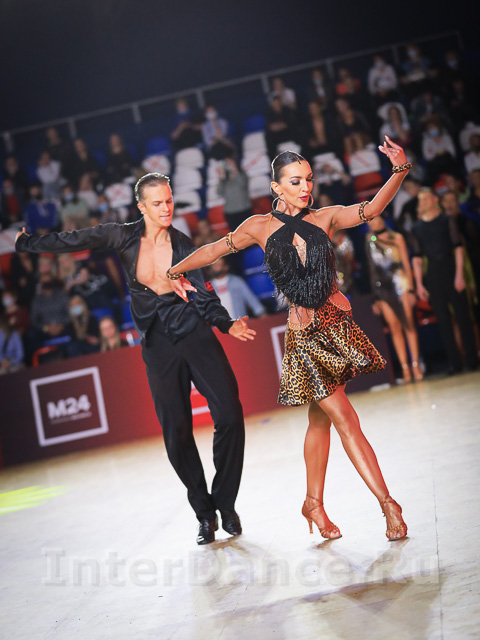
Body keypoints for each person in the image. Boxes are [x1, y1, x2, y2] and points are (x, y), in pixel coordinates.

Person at [168, 140, 411, 542]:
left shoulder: (326, 217)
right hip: (305, 339)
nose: (305, 187)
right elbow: (212, 250)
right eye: (295, 181)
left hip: (337, 328)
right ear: (276, 187)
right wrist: (175, 270)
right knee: (345, 419)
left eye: (308, 179)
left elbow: (371, 210)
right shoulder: (258, 227)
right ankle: (388, 504)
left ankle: (313, 502)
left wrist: (399, 170)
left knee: (320, 419)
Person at [15, 172, 255, 545]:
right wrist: (28, 243)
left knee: (229, 415)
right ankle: (204, 514)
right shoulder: (122, 236)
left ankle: (225, 502)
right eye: (157, 203)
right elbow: (75, 239)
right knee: (176, 432)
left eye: (169, 200)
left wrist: (226, 324)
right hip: (157, 345)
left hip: (195, 334)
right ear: (141, 207)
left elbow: (204, 294)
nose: (166, 208)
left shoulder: (183, 243)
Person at [411, 188, 478, 373]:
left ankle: (472, 359)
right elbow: (417, 257)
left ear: (435, 200)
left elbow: (458, 248)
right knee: (443, 320)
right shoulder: (416, 228)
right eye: (420, 200)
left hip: (451, 268)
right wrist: (419, 284)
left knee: (463, 316)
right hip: (433, 272)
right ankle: (455, 363)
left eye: (425, 199)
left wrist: (459, 275)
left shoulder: (447, 220)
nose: (422, 203)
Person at [365, 216, 423, 382]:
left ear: (382, 218)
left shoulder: (396, 237)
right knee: (394, 326)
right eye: (369, 220)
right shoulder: (369, 240)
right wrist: (375, 297)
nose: (373, 222)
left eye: (375, 218)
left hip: (400, 282)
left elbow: (406, 262)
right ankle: (405, 368)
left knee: (408, 323)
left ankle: (415, 364)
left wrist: (411, 289)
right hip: (383, 287)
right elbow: (371, 269)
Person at [216, 157, 252, 231]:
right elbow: (219, 192)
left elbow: (243, 184)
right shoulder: (225, 180)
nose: (228, 166)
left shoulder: (242, 174)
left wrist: (235, 170)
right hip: (230, 212)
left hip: (244, 209)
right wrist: (220, 178)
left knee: (250, 232)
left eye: (230, 164)